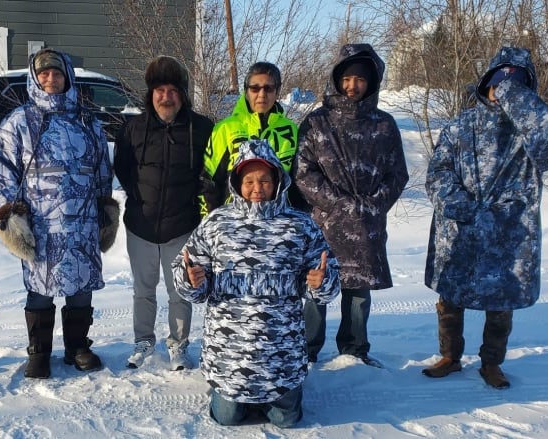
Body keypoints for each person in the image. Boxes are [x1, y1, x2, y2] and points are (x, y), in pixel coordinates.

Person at [422, 46, 548, 388]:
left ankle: (492, 362)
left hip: (508, 231)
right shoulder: (461, 125)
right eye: (497, 82)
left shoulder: (530, 133)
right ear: (485, 82)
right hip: (459, 226)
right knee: (450, 294)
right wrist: (461, 207)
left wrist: (515, 98)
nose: (501, 91)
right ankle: (450, 355)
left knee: (501, 300)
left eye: (514, 85)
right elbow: (438, 172)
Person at [172, 139, 340, 427]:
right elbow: (185, 267)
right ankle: (230, 395)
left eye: (264, 180)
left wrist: (320, 282)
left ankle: (281, 395)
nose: (257, 188)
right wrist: (192, 280)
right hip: (230, 352)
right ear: (237, 183)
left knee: (286, 421)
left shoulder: (300, 225)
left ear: (278, 181)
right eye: (249, 180)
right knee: (226, 419)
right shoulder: (216, 223)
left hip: (280, 350)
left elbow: (327, 276)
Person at [0, 48, 113, 378]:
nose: (50, 78)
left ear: (67, 77)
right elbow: (3, 173)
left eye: (56, 73)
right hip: (40, 223)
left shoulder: (87, 120)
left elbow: (103, 167)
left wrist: (105, 210)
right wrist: (11, 219)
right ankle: (39, 351)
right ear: (34, 77)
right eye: (43, 73)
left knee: (80, 285)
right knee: (39, 288)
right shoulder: (18, 122)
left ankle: (77, 347)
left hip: (84, 219)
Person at [292, 43, 409, 366]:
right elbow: (302, 171)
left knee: (358, 291)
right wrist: (338, 203)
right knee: (316, 287)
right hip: (323, 223)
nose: (352, 85)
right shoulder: (317, 122)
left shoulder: (384, 124)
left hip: (366, 224)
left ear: (371, 82)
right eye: (346, 78)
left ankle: (354, 350)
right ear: (336, 79)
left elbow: (397, 173)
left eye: (359, 79)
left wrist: (373, 205)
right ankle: (307, 349)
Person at [114, 56, 214, 370]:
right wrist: (142, 199)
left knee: (179, 292)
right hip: (140, 226)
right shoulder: (133, 128)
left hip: (182, 228)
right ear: (151, 93)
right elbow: (123, 169)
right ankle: (143, 341)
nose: (166, 96)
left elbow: (209, 174)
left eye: (173, 89)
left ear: (182, 94)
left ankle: (178, 345)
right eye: (160, 89)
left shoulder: (201, 128)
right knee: (143, 290)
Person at [199, 61, 298, 215]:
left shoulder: (290, 130)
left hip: (276, 224)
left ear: (277, 92)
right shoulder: (225, 128)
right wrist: (209, 221)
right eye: (255, 88)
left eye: (268, 88)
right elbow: (207, 181)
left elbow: (296, 184)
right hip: (233, 223)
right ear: (246, 91)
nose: (261, 95)